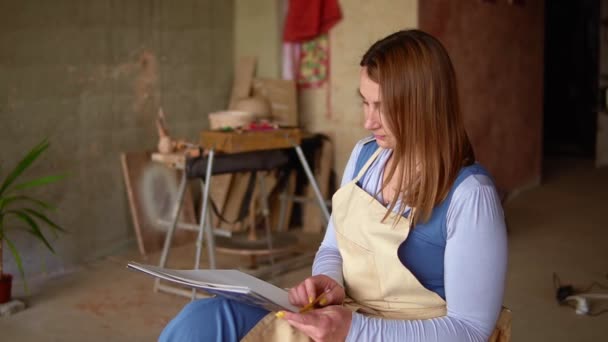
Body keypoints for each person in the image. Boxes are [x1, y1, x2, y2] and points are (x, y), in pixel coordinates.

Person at [159, 29, 508, 342]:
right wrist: (330, 282)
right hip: (346, 315)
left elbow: (470, 330)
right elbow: (331, 249)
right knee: (202, 320)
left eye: (382, 108)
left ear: (422, 107)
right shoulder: (365, 158)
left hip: (403, 332)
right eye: (364, 102)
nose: (367, 120)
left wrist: (355, 331)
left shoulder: (471, 195)